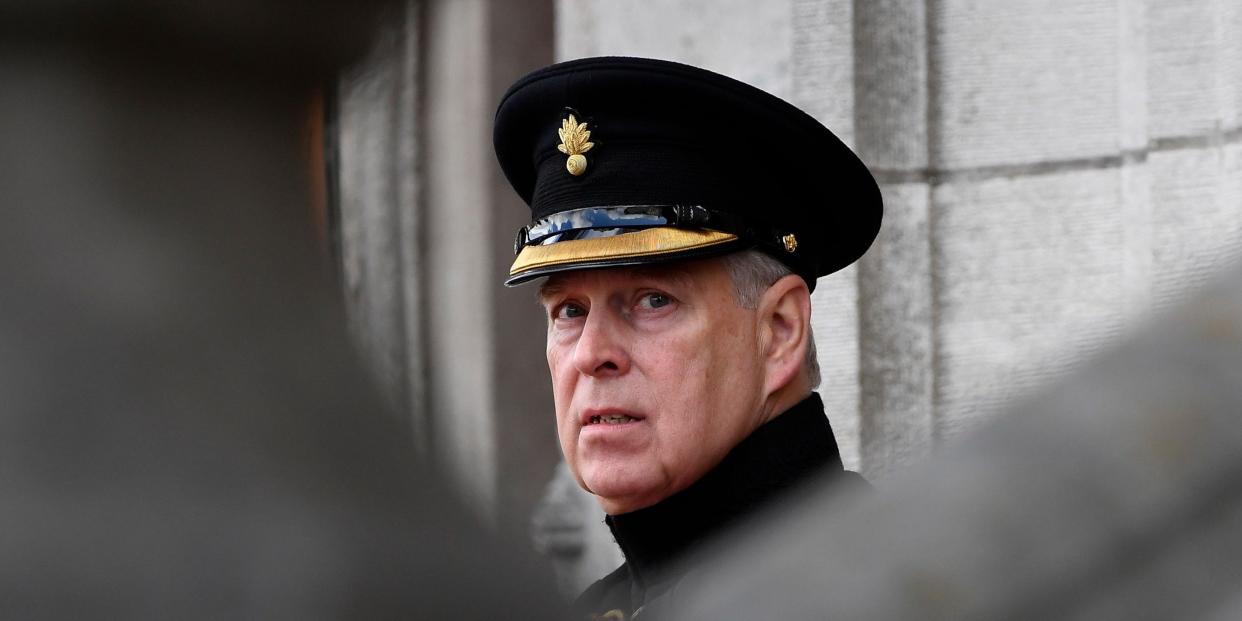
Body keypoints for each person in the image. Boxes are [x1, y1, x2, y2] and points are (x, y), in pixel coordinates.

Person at [493, 56, 882, 619]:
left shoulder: (862, 588)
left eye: (654, 300)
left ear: (779, 331)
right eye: (570, 310)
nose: (592, 353)